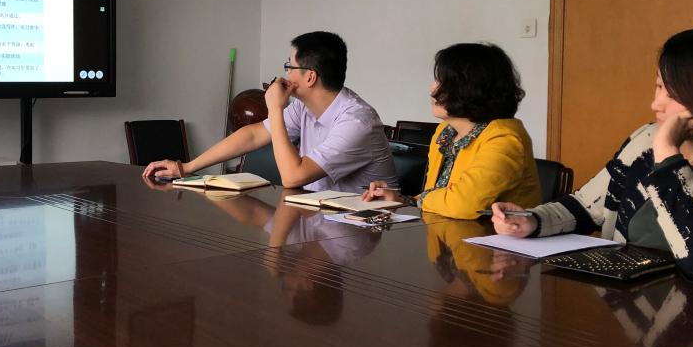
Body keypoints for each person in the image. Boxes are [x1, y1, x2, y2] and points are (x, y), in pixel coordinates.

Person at [491, 25, 693, 279]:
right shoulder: (646, 139)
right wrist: (532, 220)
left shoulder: (661, 144)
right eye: (659, 86)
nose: (656, 104)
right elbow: (585, 206)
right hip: (625, 296)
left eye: (675, 94)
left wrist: (667, 155)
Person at [143, 31, 397, 192]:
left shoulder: (356, 122)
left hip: (363, 234)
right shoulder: (303, 107)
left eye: (289, 66)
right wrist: (186, 167)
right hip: (319, 218)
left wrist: (275, 107)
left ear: (310, 77)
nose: (285, 73)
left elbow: (293, 177)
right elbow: (253, 135)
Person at [364, 42, 541, 218]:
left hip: (494, 234)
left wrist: (419, 200)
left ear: (470, 88)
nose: (431, 89)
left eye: (441, 81)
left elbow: (463, 204)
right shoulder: (445, 132)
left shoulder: (504, 138)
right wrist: (401, 200)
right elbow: (438, 197)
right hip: (445, 230)